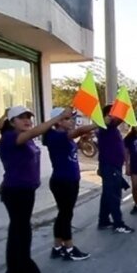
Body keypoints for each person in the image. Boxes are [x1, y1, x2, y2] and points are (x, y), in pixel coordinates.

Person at [0, 106, 71, 273]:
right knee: (22, 234)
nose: (27, 120)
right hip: (18, 192)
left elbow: (15, 164)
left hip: (20, 190)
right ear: (12, 121)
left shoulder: (21, 137)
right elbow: (35, 132)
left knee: (16, 232)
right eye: (21, 117)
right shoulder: (10, 137)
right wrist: (59, 118)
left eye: (29, 117)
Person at [43, 107, 97, 262]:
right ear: (58, 122)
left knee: (63, 215)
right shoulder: (55, 136)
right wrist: (98, 124)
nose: (72, 121)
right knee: (65, 216)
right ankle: (69, 248)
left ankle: (57, 247)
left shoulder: (64, 137)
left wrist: (82, 141)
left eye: (72, 118)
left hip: (71, 180)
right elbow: (78, 131)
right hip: (63, 181)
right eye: (67, 119)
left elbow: (72, 148)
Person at [96, 105, 135, 233]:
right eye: (113, 113)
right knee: (114, 196)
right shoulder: (105, 127)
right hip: (110, 166)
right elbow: (122, 116)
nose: (117, 116)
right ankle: (118, 224)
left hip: (113, 166)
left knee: (107, 195)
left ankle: (104, 220)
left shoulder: (112, 129)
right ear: (107, 116)